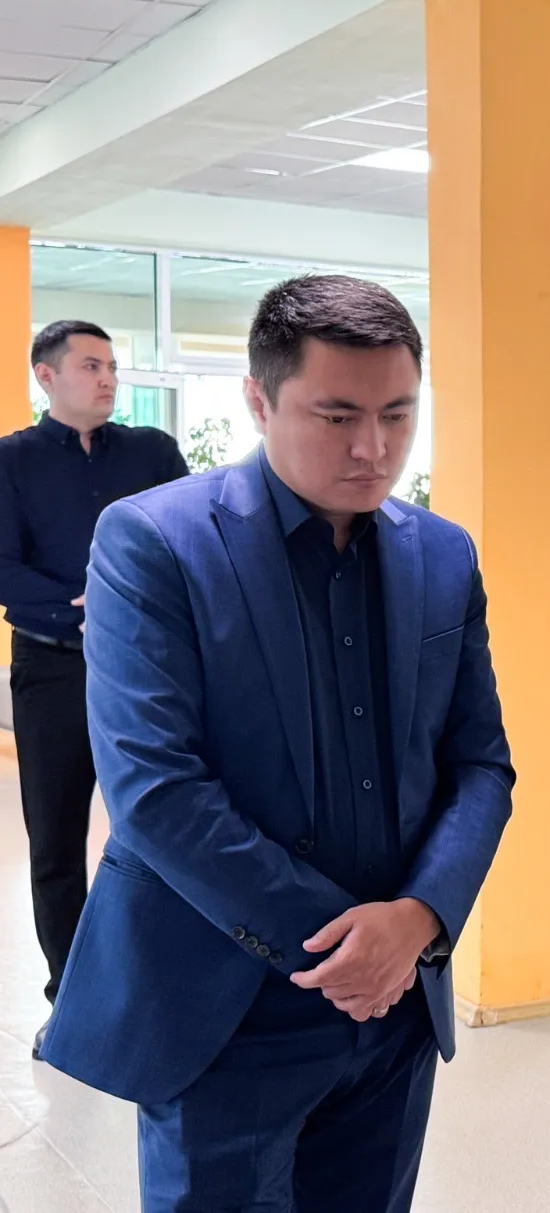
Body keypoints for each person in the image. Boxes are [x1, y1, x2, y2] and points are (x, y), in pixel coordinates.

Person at [39, 276, 515, 1212]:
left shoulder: (442, 554)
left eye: (397, 414)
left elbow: (480, 766)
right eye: (337, 416)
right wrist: (347, 948)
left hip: (393, 1013)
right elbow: (157, 792)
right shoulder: (154, 542)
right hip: (225, 1009)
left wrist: (417, 919)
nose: (373, 448)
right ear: (259, 401)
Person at [0, 319, 188, 1056]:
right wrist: (82, 605)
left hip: (147, 670)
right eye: (90, 366)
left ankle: (160, 991)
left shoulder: (153, 453)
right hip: (51, 670)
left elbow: (190, 541)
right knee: (54, 842)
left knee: (159, 829)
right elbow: (4, 567)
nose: (108, 378)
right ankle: (73, 1003)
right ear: (46, 377)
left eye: (111, 365)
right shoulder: (10, 461)